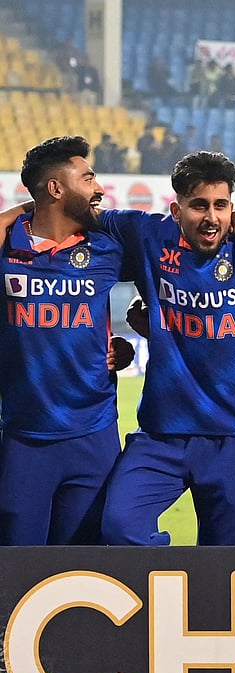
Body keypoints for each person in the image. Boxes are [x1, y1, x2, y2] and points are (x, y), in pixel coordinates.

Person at [96, 151, 235, 546]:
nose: (211, 217)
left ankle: (203, 604)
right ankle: (175, 593)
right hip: (162, 434)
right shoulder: (147, 235)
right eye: (199, 206)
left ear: (233, 207)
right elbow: (70, 214)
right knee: (120, 527)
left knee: (230, 564)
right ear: (176, 209)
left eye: (221, 205)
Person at [0, 137, 134, 546]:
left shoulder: (107, 248)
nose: (99, 189)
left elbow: (172, 274)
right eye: (88, 177)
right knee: (15, 574)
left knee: (83, 571)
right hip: (25, 440)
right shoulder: (7, 249)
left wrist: (132, 335)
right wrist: (22, 210)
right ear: (56, 189)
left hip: (93, 437)